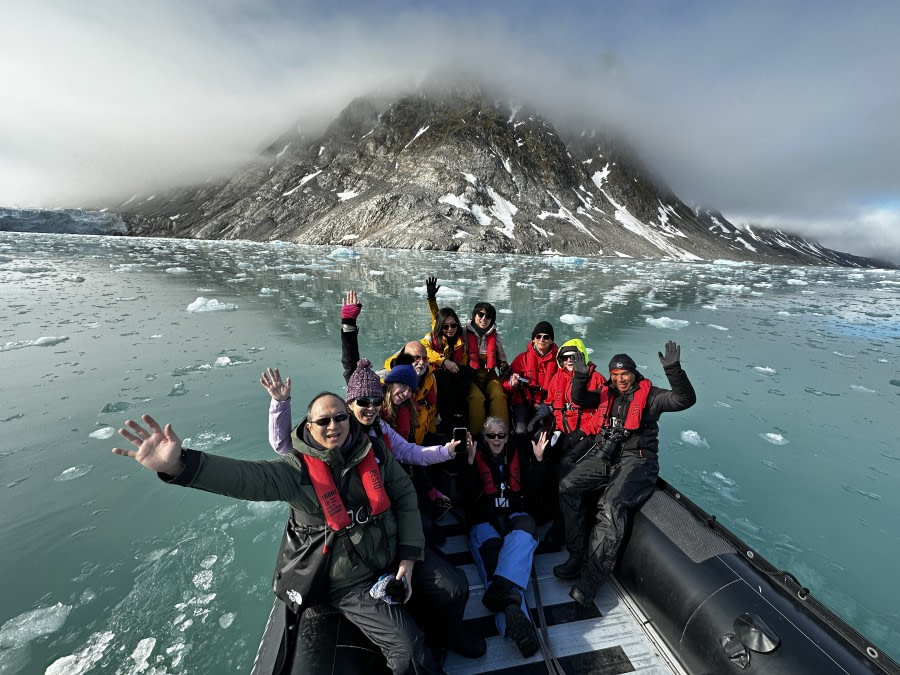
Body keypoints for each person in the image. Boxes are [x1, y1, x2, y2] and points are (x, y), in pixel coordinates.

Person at [111, 399, 443, 674]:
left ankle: (449, 635)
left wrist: (409, 557)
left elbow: (404, 496)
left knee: (454, 589)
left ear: (350, 420)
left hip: (389, 556)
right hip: (347, 581)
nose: (333, 426)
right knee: (409, 649)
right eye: (323, 420)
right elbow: (245, 479)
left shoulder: (375, 453)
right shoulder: (294, 471)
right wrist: (180, 465)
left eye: (340, 417)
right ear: (309, 426)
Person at [552, 341, 697, 609]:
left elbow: (684, 399)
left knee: (610, 504)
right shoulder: (607, 393)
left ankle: (592, 578)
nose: (620, 380)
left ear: (634, 373)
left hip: (638, 461)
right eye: (615, 375)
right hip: (607, 456)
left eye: (625, 374)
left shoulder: (651, 396)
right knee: (568, 485)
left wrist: (674, 370)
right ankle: (576, 554)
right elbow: (580, 399)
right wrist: (581, 377)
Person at [464, 417, 549, 657]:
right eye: (492, 436)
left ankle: (500, 598)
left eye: (501, 435)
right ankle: (513, 619)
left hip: (513, 514)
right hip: (484, 520)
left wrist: (539, 460)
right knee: (493, 556)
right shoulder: (473, 454)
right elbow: (467, 498)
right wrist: (469, 465)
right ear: (484, 437)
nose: (497, 440)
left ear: (507, 436)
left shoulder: (517, 453)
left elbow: (534, 489)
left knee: (527, 530)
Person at [421, 276, 469, 434]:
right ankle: (446, 419)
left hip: (453, 379)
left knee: (466, 373)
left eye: (453, 325)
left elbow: (463, 361)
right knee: (446, 378)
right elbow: (424, 350)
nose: (450, 329)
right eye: (446, 326)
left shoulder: (459, 341)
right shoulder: (433, 337)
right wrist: (443, 361)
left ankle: (458, 414)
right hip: (435, 377)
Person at [502, 321, 558, 436]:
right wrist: (512, 384)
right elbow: (505, 385)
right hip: (523, 402)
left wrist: (549, 406)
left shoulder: (558, 362)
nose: (542, 340)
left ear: (551, 340)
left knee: (542, 434)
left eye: (546, 337)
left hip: (546, 404)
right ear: (533, 339)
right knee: (520, 432)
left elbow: (563, 387)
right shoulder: (522, 359)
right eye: (538, 336)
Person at [463, 301, 509, 434]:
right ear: (474, 316)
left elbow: (502, 360)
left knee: (499, 395)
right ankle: (477, 436)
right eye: (480, 314)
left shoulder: (496, 337)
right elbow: (440, 325)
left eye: (488, 316)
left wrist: (503, 367)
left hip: (489, 374)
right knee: (476, 398)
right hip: (470, 376)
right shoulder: (463, 333)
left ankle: (500, 434)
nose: (484, 318)